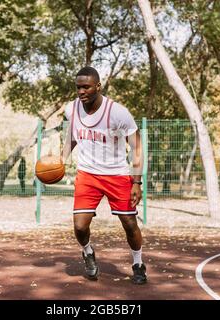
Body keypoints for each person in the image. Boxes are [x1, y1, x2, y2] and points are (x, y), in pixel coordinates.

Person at [61, 66, 147, 285]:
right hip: (87, 174)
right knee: (80, 226)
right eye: (78, 87)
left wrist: (136, 182)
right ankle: (88, 253)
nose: (81, 91)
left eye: (86, 87)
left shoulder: (118, 112)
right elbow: (72, 136)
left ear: (98, 86)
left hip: (116, 175)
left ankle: (138, 263)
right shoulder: (72, 109)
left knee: (129, 223)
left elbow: (137, 147)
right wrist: (62, 158)